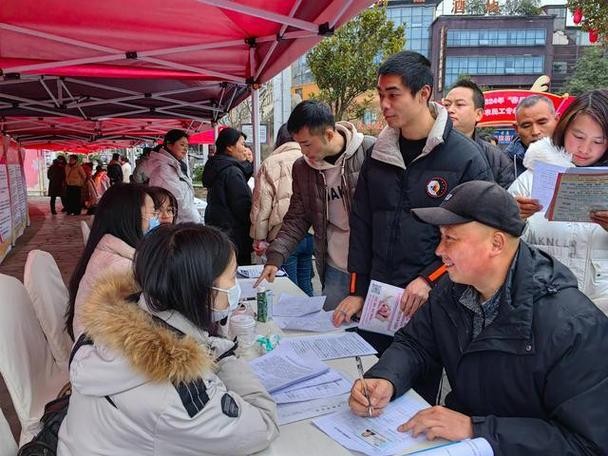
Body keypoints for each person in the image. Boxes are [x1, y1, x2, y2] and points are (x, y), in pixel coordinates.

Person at [349, 180, 608, 455]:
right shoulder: (451, 290)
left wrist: (478, 429)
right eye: (440, 237)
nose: (439, 251)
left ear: (496, 243)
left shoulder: (574, 325)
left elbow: (587, 444)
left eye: (450, 239)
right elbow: (416, 344)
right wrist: (386, 378)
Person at [58, 224, 279, 455]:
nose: (236, 287)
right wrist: (223, 354)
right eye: (232, 277)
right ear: (201, 289)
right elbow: (262, 423)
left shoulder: (105, 328)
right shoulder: (179, 393)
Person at [333, 51, 493, 353]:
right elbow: (363, 224)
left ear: (423, 94)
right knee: (372, 377)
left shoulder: (465, 157)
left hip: (435, 299)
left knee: (418, 388)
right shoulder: (378, 156)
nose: (384, 105)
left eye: (393, 95)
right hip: (380, 300)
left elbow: (477, 234)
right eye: (381, 95)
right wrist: (357, 289)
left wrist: (429, 279)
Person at [255, 101, 375, 309]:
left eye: (307, 144)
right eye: (299, 144)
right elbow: (297, 218)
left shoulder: (370, 151)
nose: (302, 151)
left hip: (374, 264)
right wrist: (275, 257)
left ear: (329, 134)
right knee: (333, 326)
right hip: (336, 264)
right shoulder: (303, 168)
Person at [509, 89, 608, 315]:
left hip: (603, 303)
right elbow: (501, 242)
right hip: (544, 299)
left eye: (598, 141)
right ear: (563, 129)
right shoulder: (532, 177)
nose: (585, 149)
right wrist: (513, 217)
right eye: (578, 137)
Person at [66, 183, 159, 340]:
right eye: (152, 213)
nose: (155, 219)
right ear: (131, 216)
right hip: (99, 353)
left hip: (94, 347)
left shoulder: (108, 248)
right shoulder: (120, 268)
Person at [250, 124, 314, 296]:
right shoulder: (311, 157)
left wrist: (259, 238)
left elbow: (261, 207)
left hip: (283, 236)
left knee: (289, 288)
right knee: (306, 282)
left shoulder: (270, 163)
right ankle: (310, 320)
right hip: (311, 232)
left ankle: (294, 321)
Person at [442, 79, 515, 188]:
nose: (450, 110)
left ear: (478, 114)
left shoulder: (497, 158)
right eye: (447, 105)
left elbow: (506, 201)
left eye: (459, 104)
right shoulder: (428, 147)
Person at [203, 128, 253, 265]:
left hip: (220, 232)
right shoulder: (231, 171)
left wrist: (248, 165)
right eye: (242, 144)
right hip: (234, 236)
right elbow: (242, 206)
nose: (245, 148)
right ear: (230, 147)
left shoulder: (217, 165)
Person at [146, 129, 202, 223]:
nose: (185, 149)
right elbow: (179, 202)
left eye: (187, 146)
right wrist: (196, 222)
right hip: (178, 224)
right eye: (182, 144)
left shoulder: (176, 166)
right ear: (169, 144)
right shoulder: (164, 170)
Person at [504, 95, 558, 177]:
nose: (535, 132)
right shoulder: (505, 163)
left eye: (542, 123)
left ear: (557, 120)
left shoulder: (576, 154)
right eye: (526, 126)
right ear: (516, 128)